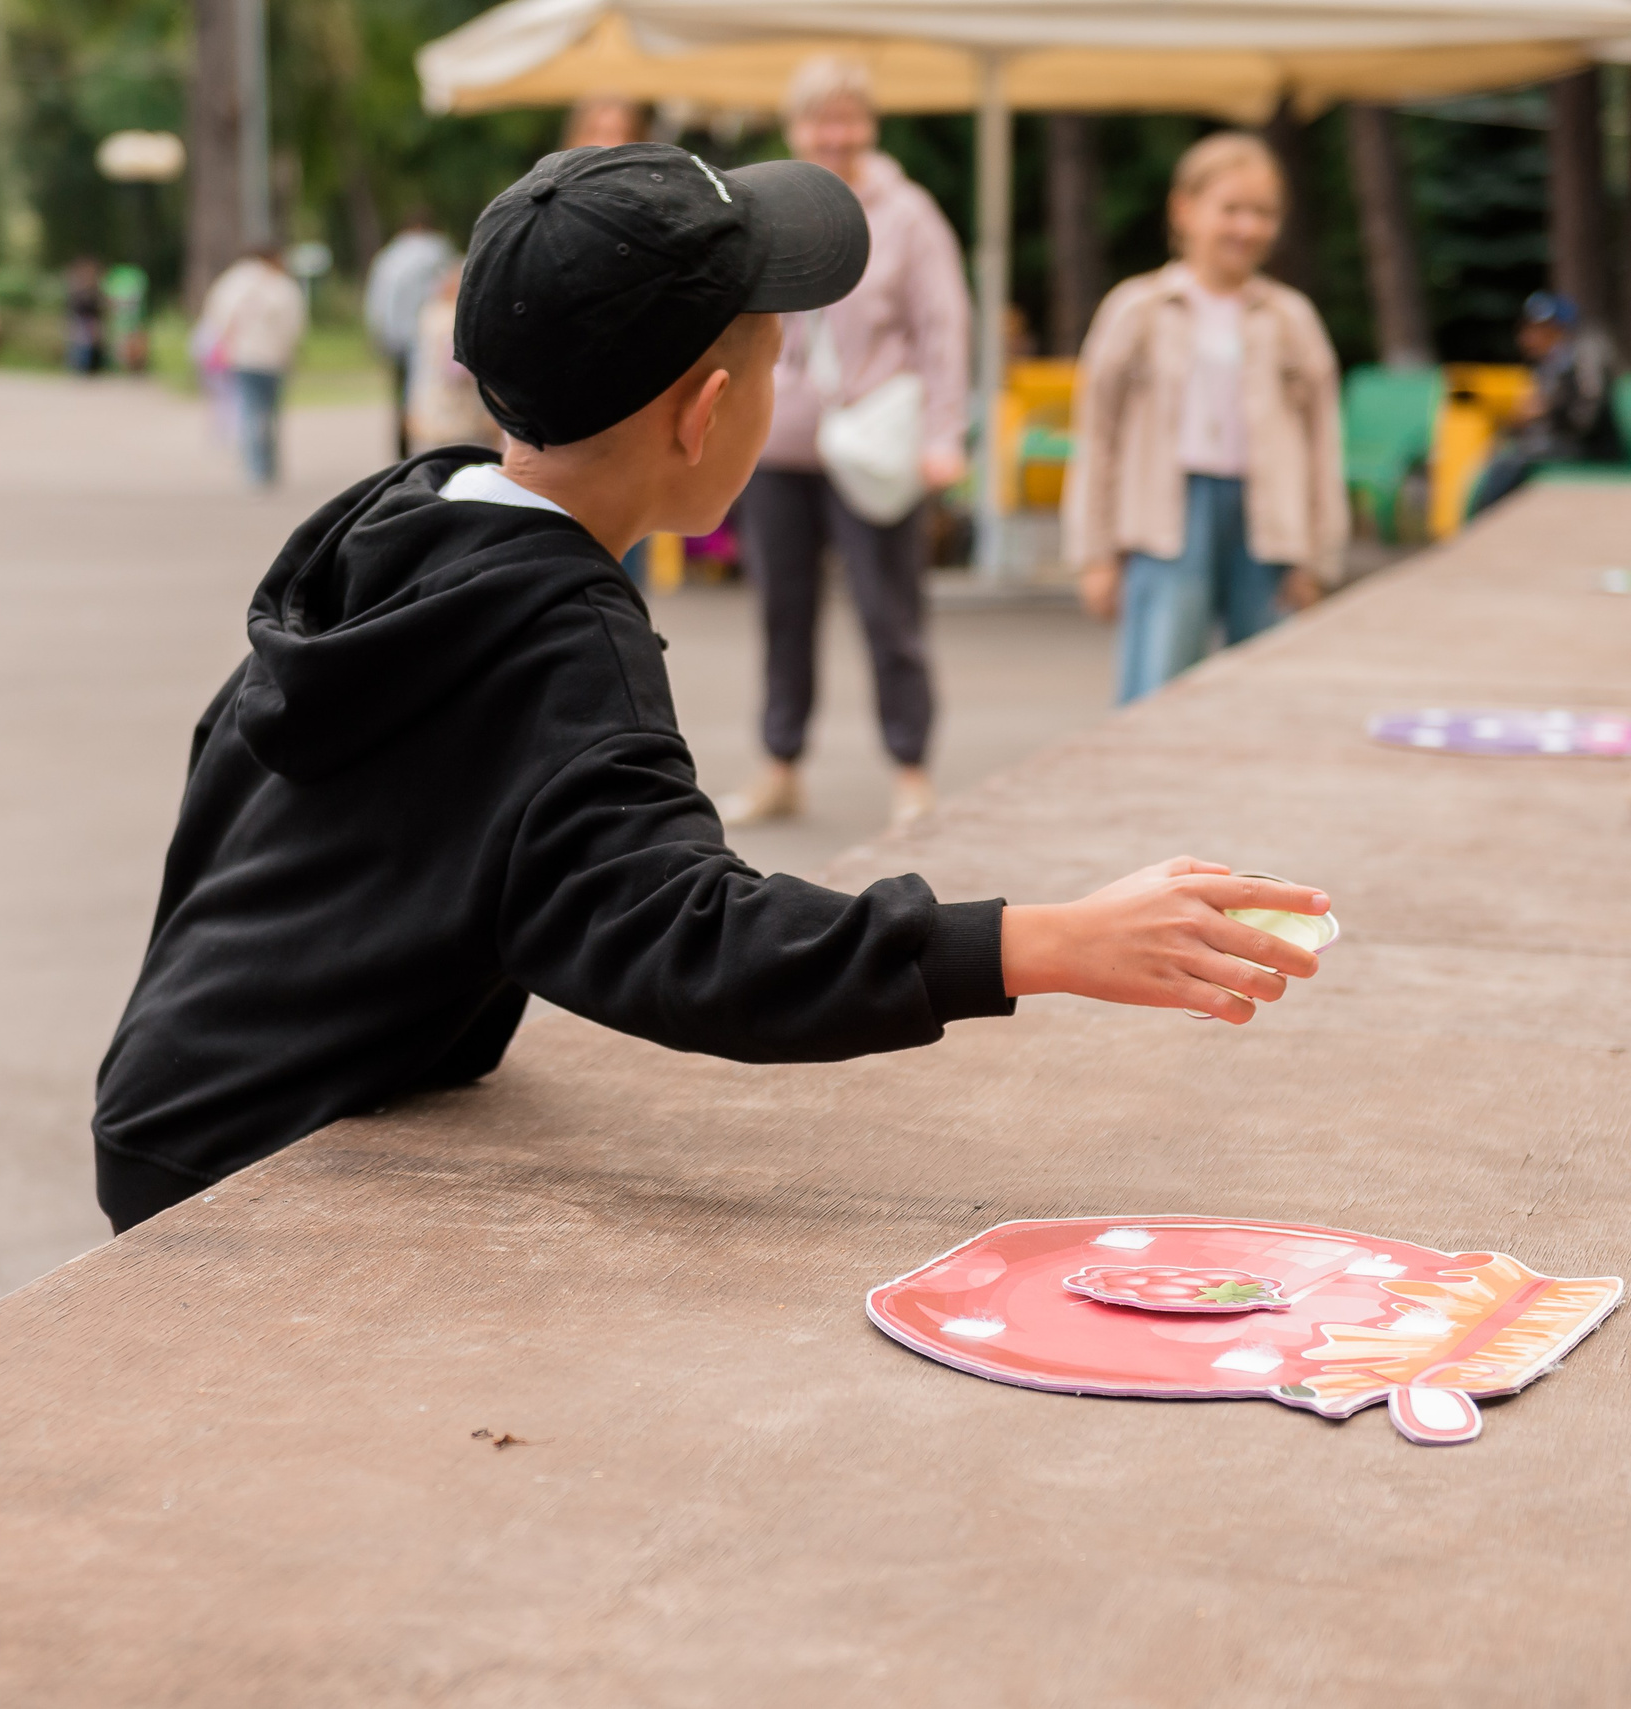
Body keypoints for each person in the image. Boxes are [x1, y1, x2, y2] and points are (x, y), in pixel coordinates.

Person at [88, 144, 1333, 1232]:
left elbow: (236, 771)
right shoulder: (561, 636)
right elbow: (693, 939)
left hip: (174, 1086)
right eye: (779, 366)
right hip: (252, 1153)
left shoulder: (400, 525)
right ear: (708, 414)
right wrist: (1043, 941)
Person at [722, 57, 970, 835]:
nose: (836, 134)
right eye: (820, 119)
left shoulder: (908, 213)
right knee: (781, 613)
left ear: (871, 124)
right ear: (795, 127)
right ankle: (780, 764)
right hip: (780, 439)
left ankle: (911, 771)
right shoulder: (763, 206)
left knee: (888, 612)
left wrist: (944, 433)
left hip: (876, 441)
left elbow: (943, 329)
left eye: (849, 118)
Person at [1067, 131, 1345, 705]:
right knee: (1158, 683)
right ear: (1185, 210)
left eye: (1263, 213)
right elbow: (1099, 436)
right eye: (1232, 210)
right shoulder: (1138, 310)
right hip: (1167, 518)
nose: (1247, 227)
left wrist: (1318, 553)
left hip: (1265, 522)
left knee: (1264, 686)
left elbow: (1321, 442)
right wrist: (1094, 553)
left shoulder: (1290, 318)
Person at [1466, 291, 1622, 517]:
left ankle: (1484, 523)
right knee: (1501, 456)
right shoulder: (1549, 366)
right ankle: (1489, 524)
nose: (1528, 336)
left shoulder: (1585, 356)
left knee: (1511, 461)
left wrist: (1545, 411)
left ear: (1558, 328)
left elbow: (1585, 418)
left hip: (1591, 448)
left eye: (1537, 328)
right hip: (1564, 441)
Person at [195, 246, 305, 489]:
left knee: (249, 413)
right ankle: (270, 468)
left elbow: (216, 315)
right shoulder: (282, 286)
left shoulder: (233, 282)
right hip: (274, 358)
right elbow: (293, 325)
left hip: (242, 357)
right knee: (271, 414)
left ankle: (255, 471)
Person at [363, 213, 455, 458]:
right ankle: (439, 448)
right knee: (434, 393)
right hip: (432, 335)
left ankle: (403, 451)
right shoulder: (438, 251)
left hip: (396, 337)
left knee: (401, 397)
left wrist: (379, 336)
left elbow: (377, 303)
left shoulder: (388, 257)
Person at [402, 263, 498, 451]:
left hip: (431, 409)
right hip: (459, 415)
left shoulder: (430, 314)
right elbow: (459, 369)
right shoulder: (453, 320)